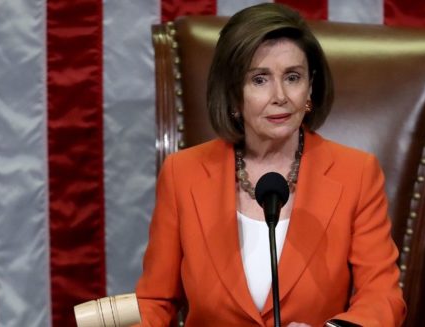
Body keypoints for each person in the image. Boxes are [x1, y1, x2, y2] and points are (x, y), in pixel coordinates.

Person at [136, 3, 406, 326]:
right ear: (234, 94)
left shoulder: (357, 174)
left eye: (292, 77)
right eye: (260, 79)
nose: (280, 96)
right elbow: (154, 302)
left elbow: (383, 298)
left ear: (310, 89)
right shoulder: (182, 174)